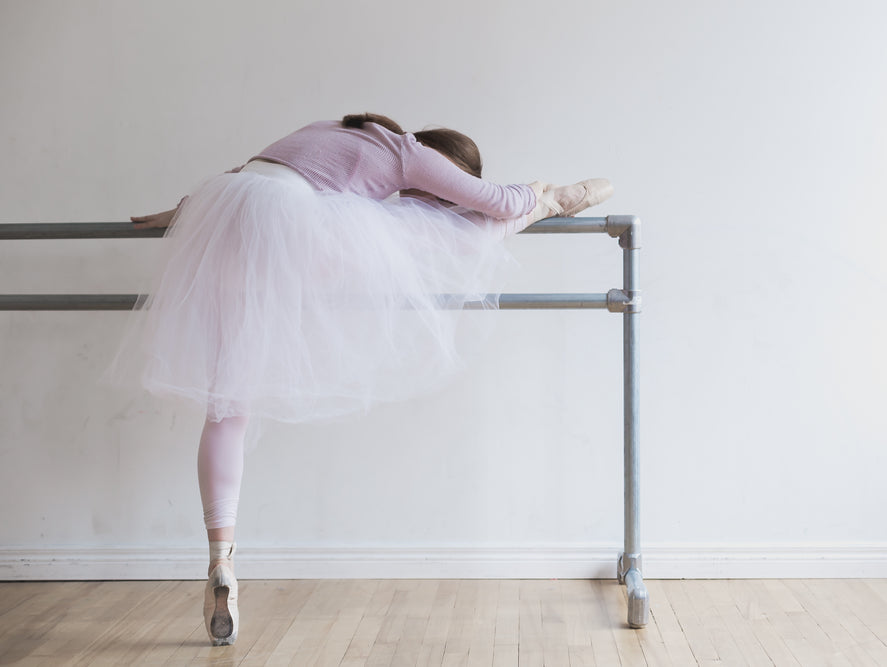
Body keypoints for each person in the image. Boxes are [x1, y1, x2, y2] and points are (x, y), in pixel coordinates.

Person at [119, 113, 613, 646]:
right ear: (442, 159)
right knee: (454, 234)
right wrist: (541, 194)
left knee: (226, 405)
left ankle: (221, 560)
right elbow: (497, 199)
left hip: (222, 225)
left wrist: (181, 212)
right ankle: (555, 204)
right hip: (291, 231)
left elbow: (245, 175)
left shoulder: (326, 129)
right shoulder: (407, 152)